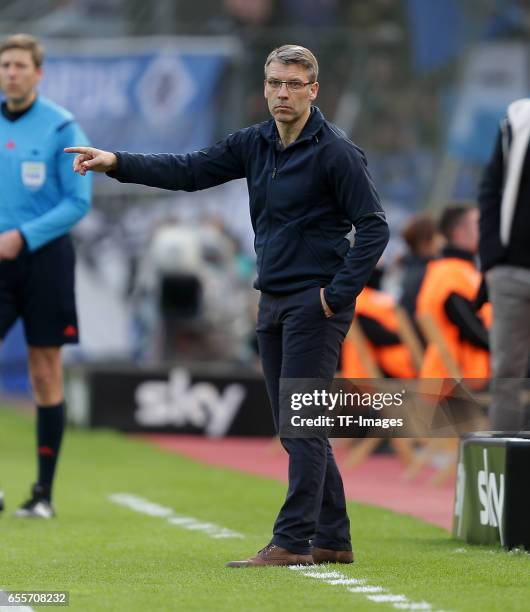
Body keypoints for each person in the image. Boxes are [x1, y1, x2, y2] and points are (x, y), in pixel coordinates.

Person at [66, 44, 389, 567]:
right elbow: (189, 170)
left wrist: (336, 294)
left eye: (293, 84)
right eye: (274, 83)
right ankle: (333, 538)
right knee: (295, 424)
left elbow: (374, 226)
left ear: (313, 90)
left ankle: (292, 542)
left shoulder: (337, 152)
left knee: (301, 423)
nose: (282, 93)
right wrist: (117, 163)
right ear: (264, 88)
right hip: (272, 298)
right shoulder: (254, 142)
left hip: (315, 303)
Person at [0, 34, 92, 518]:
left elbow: (78, 201)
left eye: (20, 65)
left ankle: (43, 494)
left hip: (45, 262)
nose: (11, 73)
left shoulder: (61, 127)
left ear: (38, 73)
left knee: (43, 370)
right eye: (5, 65)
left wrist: (23, 235)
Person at [479, 99, 530, 431]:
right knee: (507, 374)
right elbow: (490, 190)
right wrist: (493, 259)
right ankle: (507, 469)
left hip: (508, 270)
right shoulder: (517, 119)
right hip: (511, 270)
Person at [417, 203, 491, 380]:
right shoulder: (449, 275)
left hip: (468, 373)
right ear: (458, 233)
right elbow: (471, 329)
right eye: (478, 223)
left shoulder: (461, 271)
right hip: (459, 377)